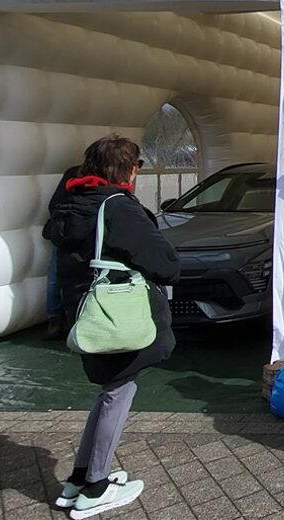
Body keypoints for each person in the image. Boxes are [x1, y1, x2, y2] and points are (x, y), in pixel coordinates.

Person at [48, 134, 179, 518]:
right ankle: (96, 486)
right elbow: (165, 263)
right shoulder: (117, 207)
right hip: (119, 314)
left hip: (85, 310)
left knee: (109, 389)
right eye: (137, 165)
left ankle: (78, 479)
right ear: (127, 169)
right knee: (118, 392)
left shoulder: (71, 204)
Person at [42, 164, 82, 340]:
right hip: (78, 231)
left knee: (56, 274)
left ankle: (55, 318)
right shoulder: (99, 177)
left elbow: (54, 205)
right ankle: (66, 317)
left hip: (63, 231)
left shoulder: (73, 173)